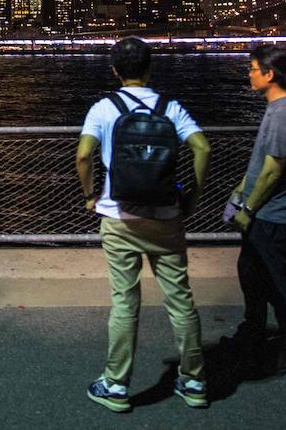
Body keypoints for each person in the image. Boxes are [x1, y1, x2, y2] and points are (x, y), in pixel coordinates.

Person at [76, 37, 212, 413]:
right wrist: (193, 198)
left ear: (114, 70)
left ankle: (116, 385)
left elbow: (84, 155)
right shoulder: (171, 107)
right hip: (167, 217)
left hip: (118, 217)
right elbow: (203, 148)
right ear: (150, 68)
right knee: (180, 299)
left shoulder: (104, 108)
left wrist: (90, 196)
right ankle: (195, 380)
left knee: (125, 301)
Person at [227, 44, 286, 374]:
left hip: (274, 213)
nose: (248, 74)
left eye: (252, 69)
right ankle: (254, 331)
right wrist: (240, 190)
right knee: (251, 273)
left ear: (269, 74)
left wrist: (248, 206)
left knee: (279, 282)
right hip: (264, 211)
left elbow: (274, 168)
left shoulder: (284, 112)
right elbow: (262, 164)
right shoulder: (278, 108)